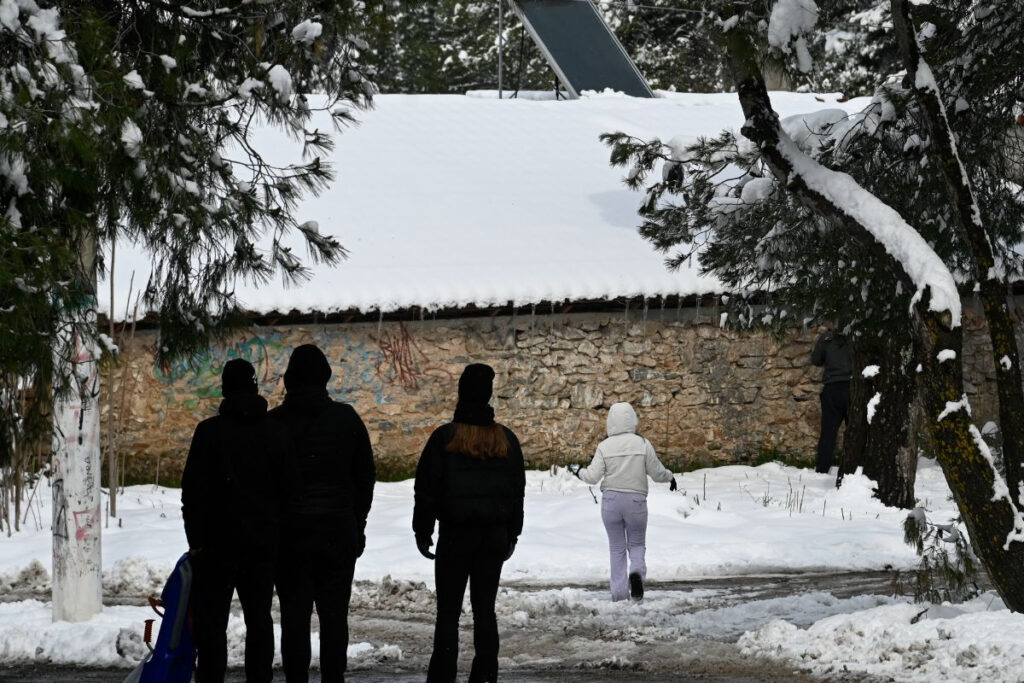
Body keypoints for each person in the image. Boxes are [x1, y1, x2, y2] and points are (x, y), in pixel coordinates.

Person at [269, 344, 376, 683]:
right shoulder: (347, 420)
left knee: (294, 620)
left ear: (289, 380)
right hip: (337, 535)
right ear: (325, 379)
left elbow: (264, 482)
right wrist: (356, 522)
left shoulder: (274, 424)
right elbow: (365, 478)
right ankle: (334, 678)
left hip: (290, 539)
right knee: (334, 618)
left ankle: (296, 679)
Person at [413, 363, 525, 683]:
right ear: (488, 394)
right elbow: (516, 491)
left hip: (455, 537)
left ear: (461, 392)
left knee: (448, 613)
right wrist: (512, 533)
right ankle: (486, 674)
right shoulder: (506, 440)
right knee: (484, 609)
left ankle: (443, 675)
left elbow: (427, 489)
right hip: (492, 538)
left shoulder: (444, 438)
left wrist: (423, 530)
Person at [181, 358, 285, 683]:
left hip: (216, 548)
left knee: (212, 628)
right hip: (261, 547)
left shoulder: (209, 433)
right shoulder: (274, 432)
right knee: (259, 622)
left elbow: (192, 493)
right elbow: (288, 489)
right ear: (255, 387)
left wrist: (196, 542)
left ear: (224, 390)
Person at [569, 402, 675, 602]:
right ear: (633, 420)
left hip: (611, 501)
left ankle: (618, 594)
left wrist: (577, 470)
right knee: (636, 544)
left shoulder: (604, 446)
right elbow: (657, 472)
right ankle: (636, 573)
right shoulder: (642, 444)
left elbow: (592, 477)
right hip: (635, 500)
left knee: (616, 548)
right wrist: (670, 477)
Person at [811, 320, 853, 474]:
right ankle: (856, 467)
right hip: (854, 388)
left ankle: (822, 469)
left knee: (828, 431)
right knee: (856, 430)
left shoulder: (827, 338)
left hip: (832, 388)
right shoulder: (857, 337)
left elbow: (816, 360)